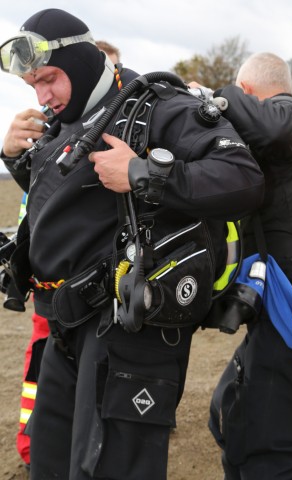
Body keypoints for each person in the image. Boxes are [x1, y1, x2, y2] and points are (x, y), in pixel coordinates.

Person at [0, 9, 264, 480]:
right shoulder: (63, 122)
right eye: (31, 85)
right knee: (50, 464)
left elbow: (243, 179)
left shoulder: (159, 106)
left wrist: (143, 174)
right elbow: (71, 209)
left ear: (81, 63)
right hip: (65, 327)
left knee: (111, 469)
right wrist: (16, 158)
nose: (42, 95)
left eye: (50, 79)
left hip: (129, 331)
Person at [208, 52, 292, 479]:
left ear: (249, 93)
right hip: (280, 300)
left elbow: (269, 123)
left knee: (268, 448)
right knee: (228, 412)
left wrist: (217, 97)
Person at [15, 38, 121, 471]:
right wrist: (12, 155)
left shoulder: (122, 126)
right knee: (42, 380)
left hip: (92, 297)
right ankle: (32, 443)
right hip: (49, 294)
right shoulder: (53, 132)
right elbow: (46, 202)